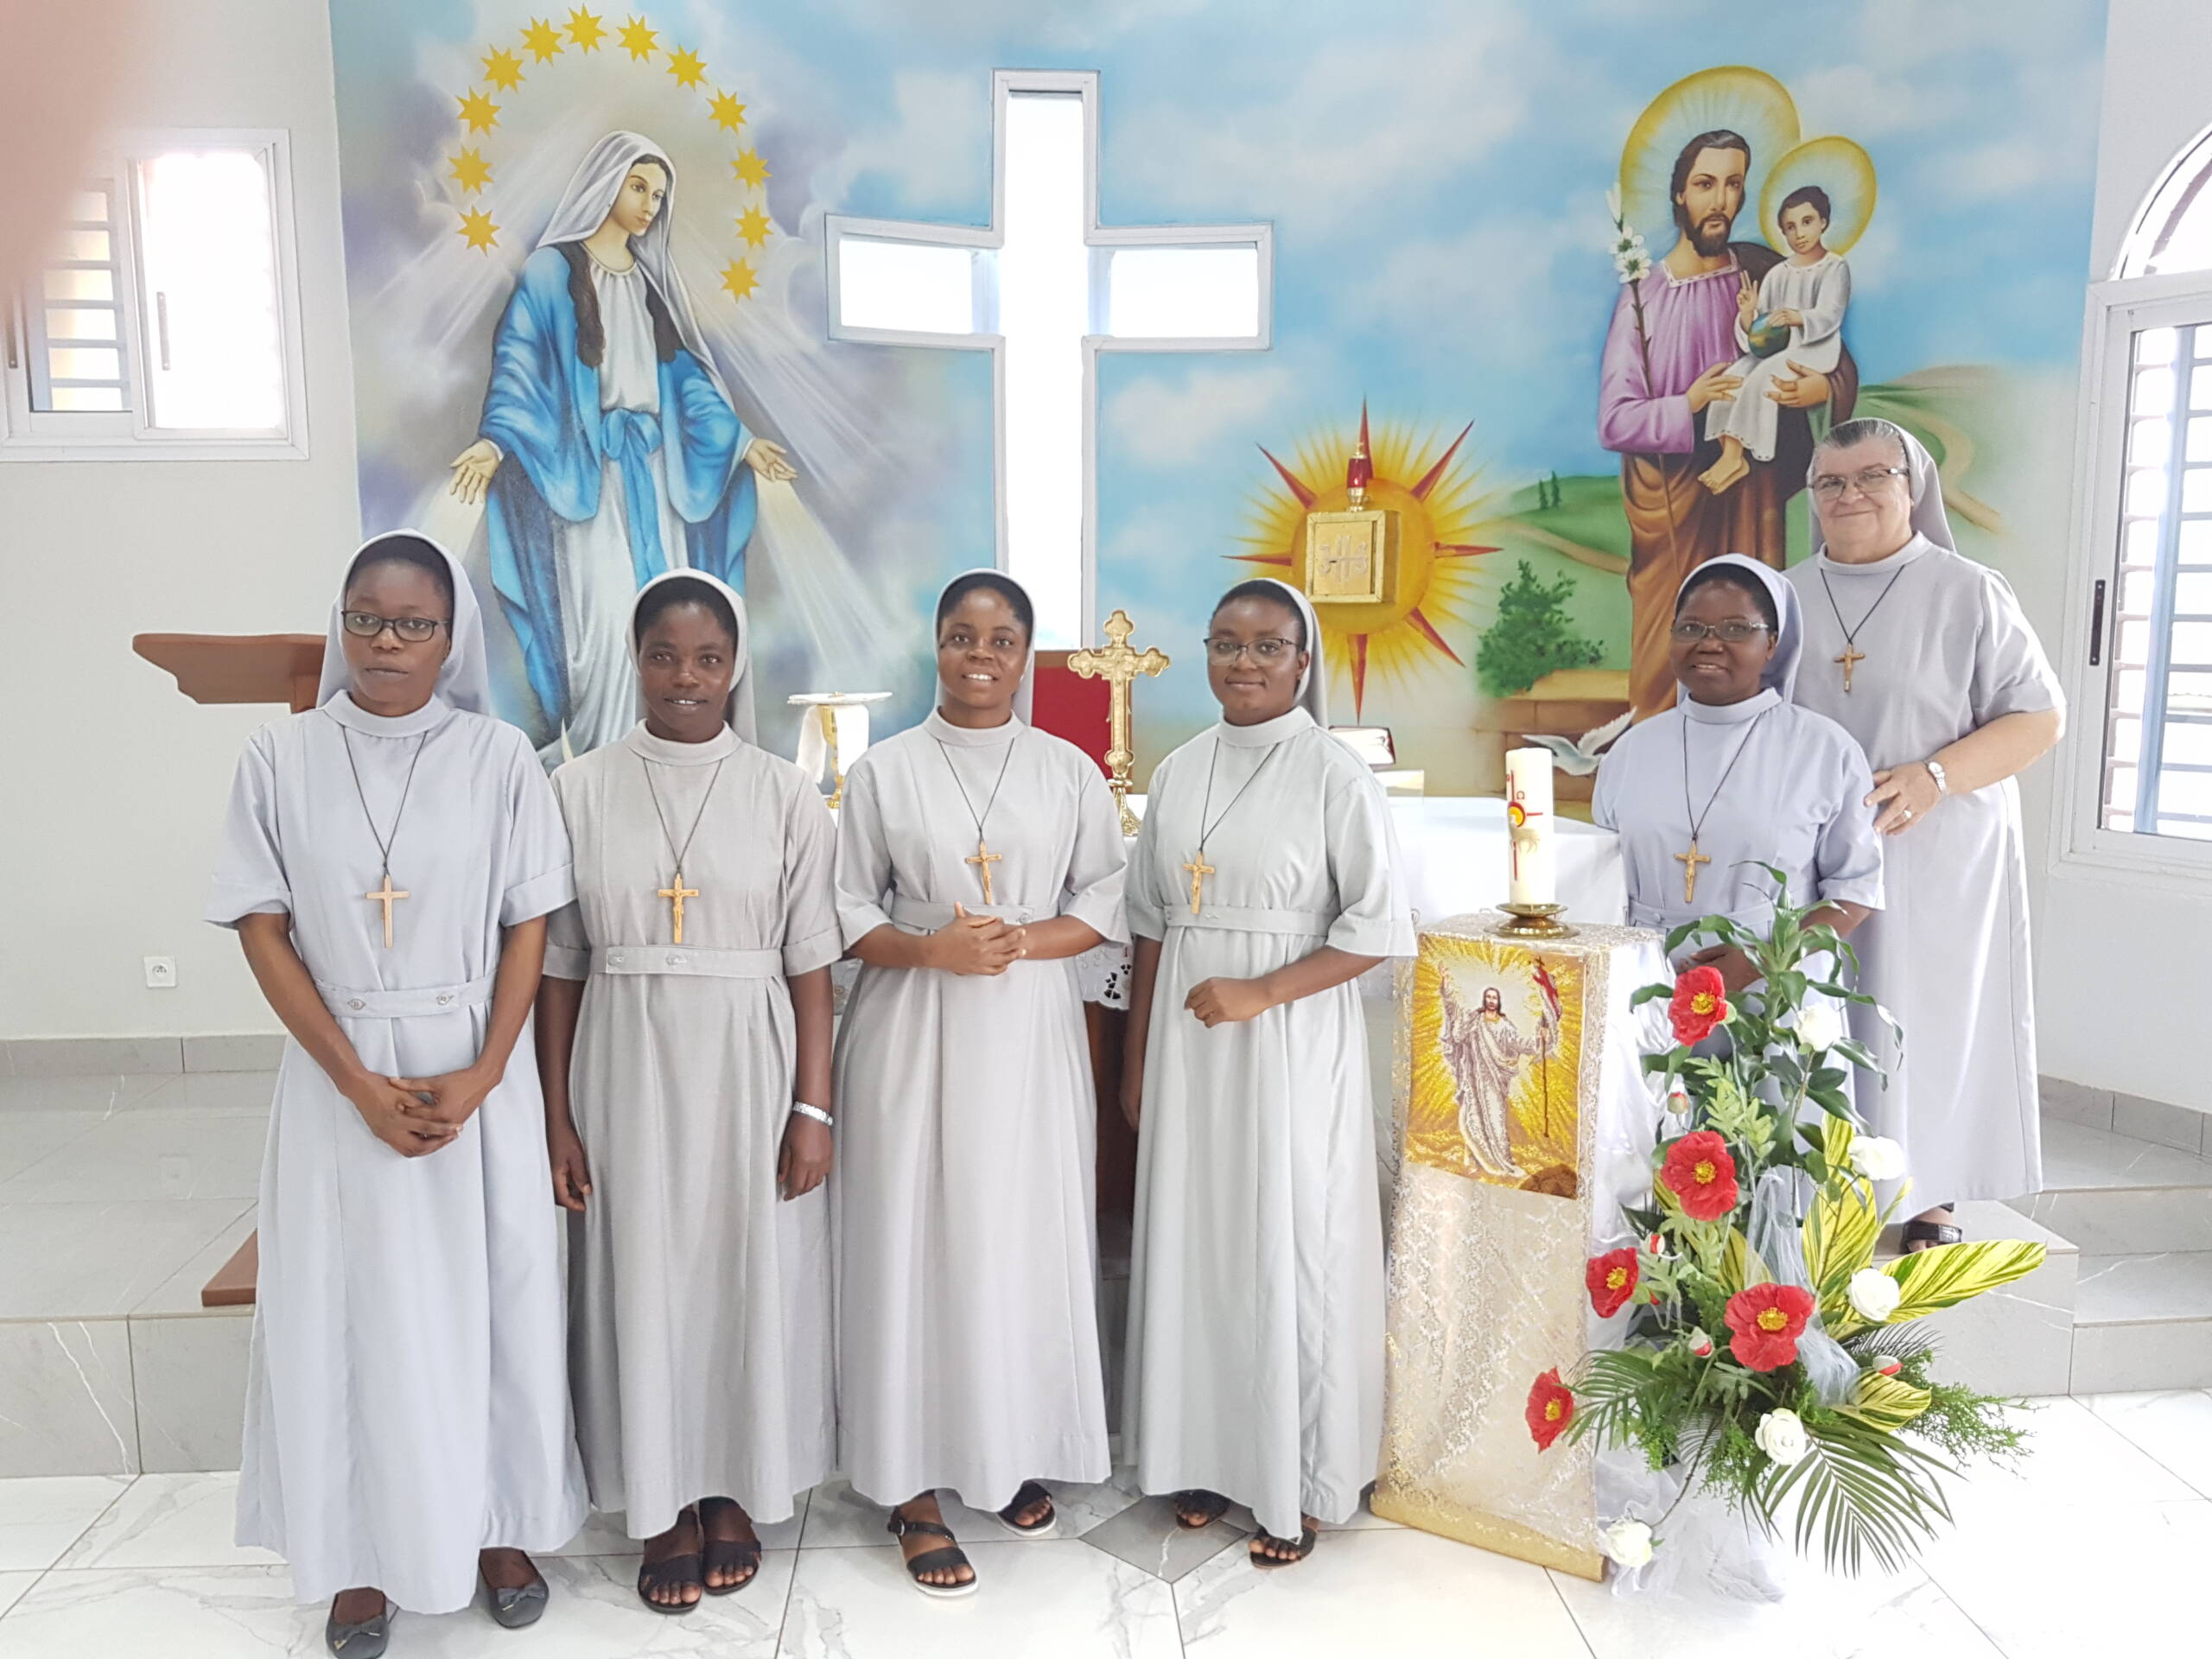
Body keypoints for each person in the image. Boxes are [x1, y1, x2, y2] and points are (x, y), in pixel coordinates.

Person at [207, 532, 584, 1656]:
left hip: (474, 1067)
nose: (386, 641)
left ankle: (500, 1528)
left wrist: (485, 1071)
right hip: (341, 1077)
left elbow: (530, 926)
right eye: (366, 617)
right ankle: (358, 1557)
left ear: (450, 637)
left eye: (413, 623)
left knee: (494, 1303)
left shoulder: (499, 756)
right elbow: (262, 929)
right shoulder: (279, 758)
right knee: (348, 1314)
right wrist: (358, 1086)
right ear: (342, 623)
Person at [535, 570, 837, 1614]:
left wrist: (813, 1108)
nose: (685, 677)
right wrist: (556, 1114)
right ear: (635, 659)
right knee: (642, 1275)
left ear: (735, 666)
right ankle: (659, 1501)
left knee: (742, 1275)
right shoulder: (577, 790)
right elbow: (560, 968)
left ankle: (734, 1489)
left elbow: (812, 966)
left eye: (708, 658)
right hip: (622, 1057)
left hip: (750, 1060)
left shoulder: (783, 793)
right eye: (664, 655)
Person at [830, 570, 1128, 1597]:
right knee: (915, 1243)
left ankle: (1002, 1450)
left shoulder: (1066, 769)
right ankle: (911, 1486)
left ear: (1025, 653)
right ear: (937, 644)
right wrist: (931, 951)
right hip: (912, 1025)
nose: (980, 656)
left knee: (1014, 1237)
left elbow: (1108, 895)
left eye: (1002, 639)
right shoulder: (885, 771)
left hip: (1029, 1028)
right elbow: (843, 911)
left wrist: (1023, 942)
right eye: (962, 635)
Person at [1121, 577, 1414, 1568]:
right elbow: (1151, 923)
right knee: (1200, 1244)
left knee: (1292, 1242)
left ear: (1302, 660)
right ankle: (1205, 1452)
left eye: (1266, 646)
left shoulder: (1334, 774)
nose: (1243, 662)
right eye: (1226, 643)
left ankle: (1305, 1474)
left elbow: (1374, 928)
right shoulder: (1179, 771)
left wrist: (1262, 991)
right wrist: (1136, 1058)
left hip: (1289, 1040)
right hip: (1188, 1047)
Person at [1786, 418, 2065, 1246]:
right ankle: (1815, 1186)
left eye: (1874, 476)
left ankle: (1929, 1194)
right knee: (1822, 1013)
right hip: (1815, 853)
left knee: (1921, 1016)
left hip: (1937, 846)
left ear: (1914, 488)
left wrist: (1934, 776)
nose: (1851, 495)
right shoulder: (1784, 594)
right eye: (1831, 482)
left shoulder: (1968, 590)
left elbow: (2039, 716)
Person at [448, 130, 796, 758]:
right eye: (638, 187)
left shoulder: (648, 285)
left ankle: (660, 754)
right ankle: (599, 758)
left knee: (664, 625)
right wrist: (495, 443)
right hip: (590, 479)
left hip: (656, 484)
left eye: (658, 196)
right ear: (606, 184)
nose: (648, 205)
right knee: (600, 629)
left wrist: (741, 441)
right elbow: (521, 364)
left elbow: (684, 378)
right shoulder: (552, 271)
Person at [1599, 128, 1857, 718]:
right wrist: (1688, 403)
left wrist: (1820, 389)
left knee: (1752, 652)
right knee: (1663, 667)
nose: (1720, 200)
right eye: (1704, 184)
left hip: (1748, 503)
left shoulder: (1764, 271)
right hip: (1675, 505)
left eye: (1733, 184)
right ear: (1679, 194)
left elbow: (1832, 358)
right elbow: (1615, 419)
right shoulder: (1643, 299)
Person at [1593, 554, 1882, 1007]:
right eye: (1691, 628)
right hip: (1648, 982)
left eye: (1735, 629)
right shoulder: (1631, 751)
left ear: (1772, 644)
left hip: (1772, 986)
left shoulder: (1825, 749)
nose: (1709, 643)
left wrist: (1761, 962)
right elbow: (1602, 882)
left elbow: (1855, 890)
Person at [1700, 186, 1853, 495]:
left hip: (1813, 349)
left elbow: (1830, 315)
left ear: (1823, 222)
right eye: (1790, 227)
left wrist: (1798, 317)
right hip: (1777, 348)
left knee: (1762, 379)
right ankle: (1730, 454)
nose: (1799, 234)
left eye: (1807, 222)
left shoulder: (1834, 268)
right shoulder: (1778, 274)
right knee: (1733, 376)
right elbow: (1762, 329)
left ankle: (1736, 458)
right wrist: (1748, 314)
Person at [1440, 980, 1556, 1180]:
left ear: (1498, 1001)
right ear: (1484, 999)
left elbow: (1522, 1044)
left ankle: (1502, 1161)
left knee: (1495, 1121)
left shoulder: (1504, 1026)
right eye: (1489, 997)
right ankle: (1474, 1161)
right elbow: (1458, 1032)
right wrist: (1447, 989)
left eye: (1494, 998)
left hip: (1494, 1083)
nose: (1491, 1000)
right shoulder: (1474, 1022)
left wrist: (1539, 1038)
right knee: (1471, 1118)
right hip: (1474, 1080)